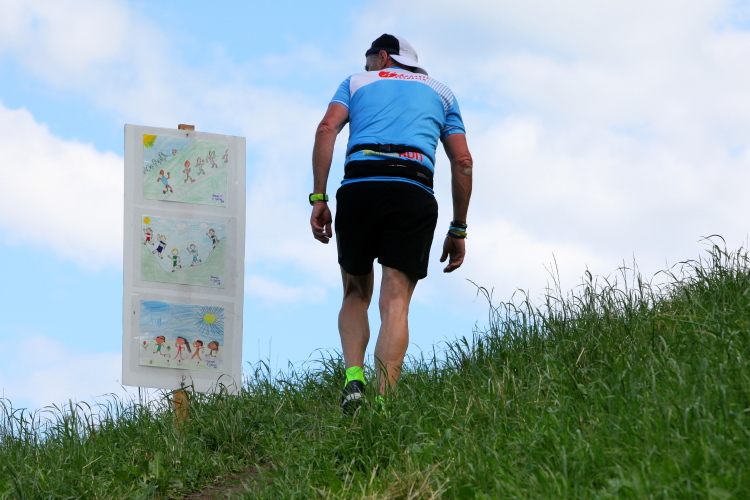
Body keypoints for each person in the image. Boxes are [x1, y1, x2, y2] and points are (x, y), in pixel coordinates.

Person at [309, 34, 473, 413]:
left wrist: (319, 198)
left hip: (360, 187)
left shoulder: (355, 82)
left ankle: (354, 380)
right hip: (413, 190)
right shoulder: (442, 92)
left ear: (382, 57)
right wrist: (458, 228)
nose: (367, 68)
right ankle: (383, 404)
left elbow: (326, 129)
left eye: (369, 61)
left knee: (355, 293)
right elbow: (463, 161)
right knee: (396, 301)